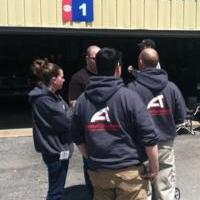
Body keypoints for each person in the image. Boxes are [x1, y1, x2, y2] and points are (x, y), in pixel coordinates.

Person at [71, 47, 159, 200]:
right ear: (118, 68)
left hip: (99, 174)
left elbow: (77, 136)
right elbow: (149, 136)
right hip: (129, 173)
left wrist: (91, 158)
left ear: (96, 67)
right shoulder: (130, 97)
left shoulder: (82, 100)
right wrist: (154, 167)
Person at [128, 48, 186, 200]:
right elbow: (181, 116)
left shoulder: (132, 89)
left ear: (140, 62)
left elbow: (125, 119)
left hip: (140, 145)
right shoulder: (171, 87)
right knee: (165, 186)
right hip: (165, 144)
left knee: (142, 187)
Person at [28, 58, 73, 200]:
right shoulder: (44, 100)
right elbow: (66, 121)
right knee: (56, 191)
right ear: (54, 80)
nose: (64, 80)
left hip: (59, 147)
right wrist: (75, 107)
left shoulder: (53, 96)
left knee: (58, 187)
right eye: (62, 77)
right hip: (55, 149)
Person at [68, 45, 100, 197]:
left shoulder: (106, 73)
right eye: (95, 58)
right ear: (87, 59)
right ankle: (91, 193)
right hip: (89, 131)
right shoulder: (79, 78)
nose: (99, 61)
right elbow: (73, 103)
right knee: (90, 165)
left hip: (107, 127)